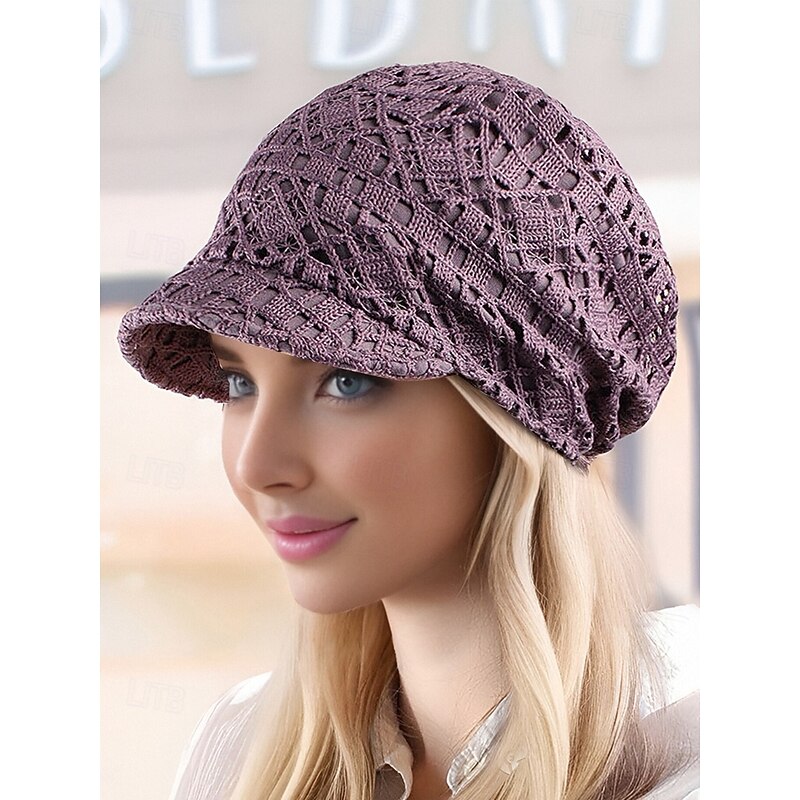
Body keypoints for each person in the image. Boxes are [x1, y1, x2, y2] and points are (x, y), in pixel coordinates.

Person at [117, 61, 699, 800]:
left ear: (511, 415)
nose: (256, 466)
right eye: (240, 383)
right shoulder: (239, 751)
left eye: (345, 381)